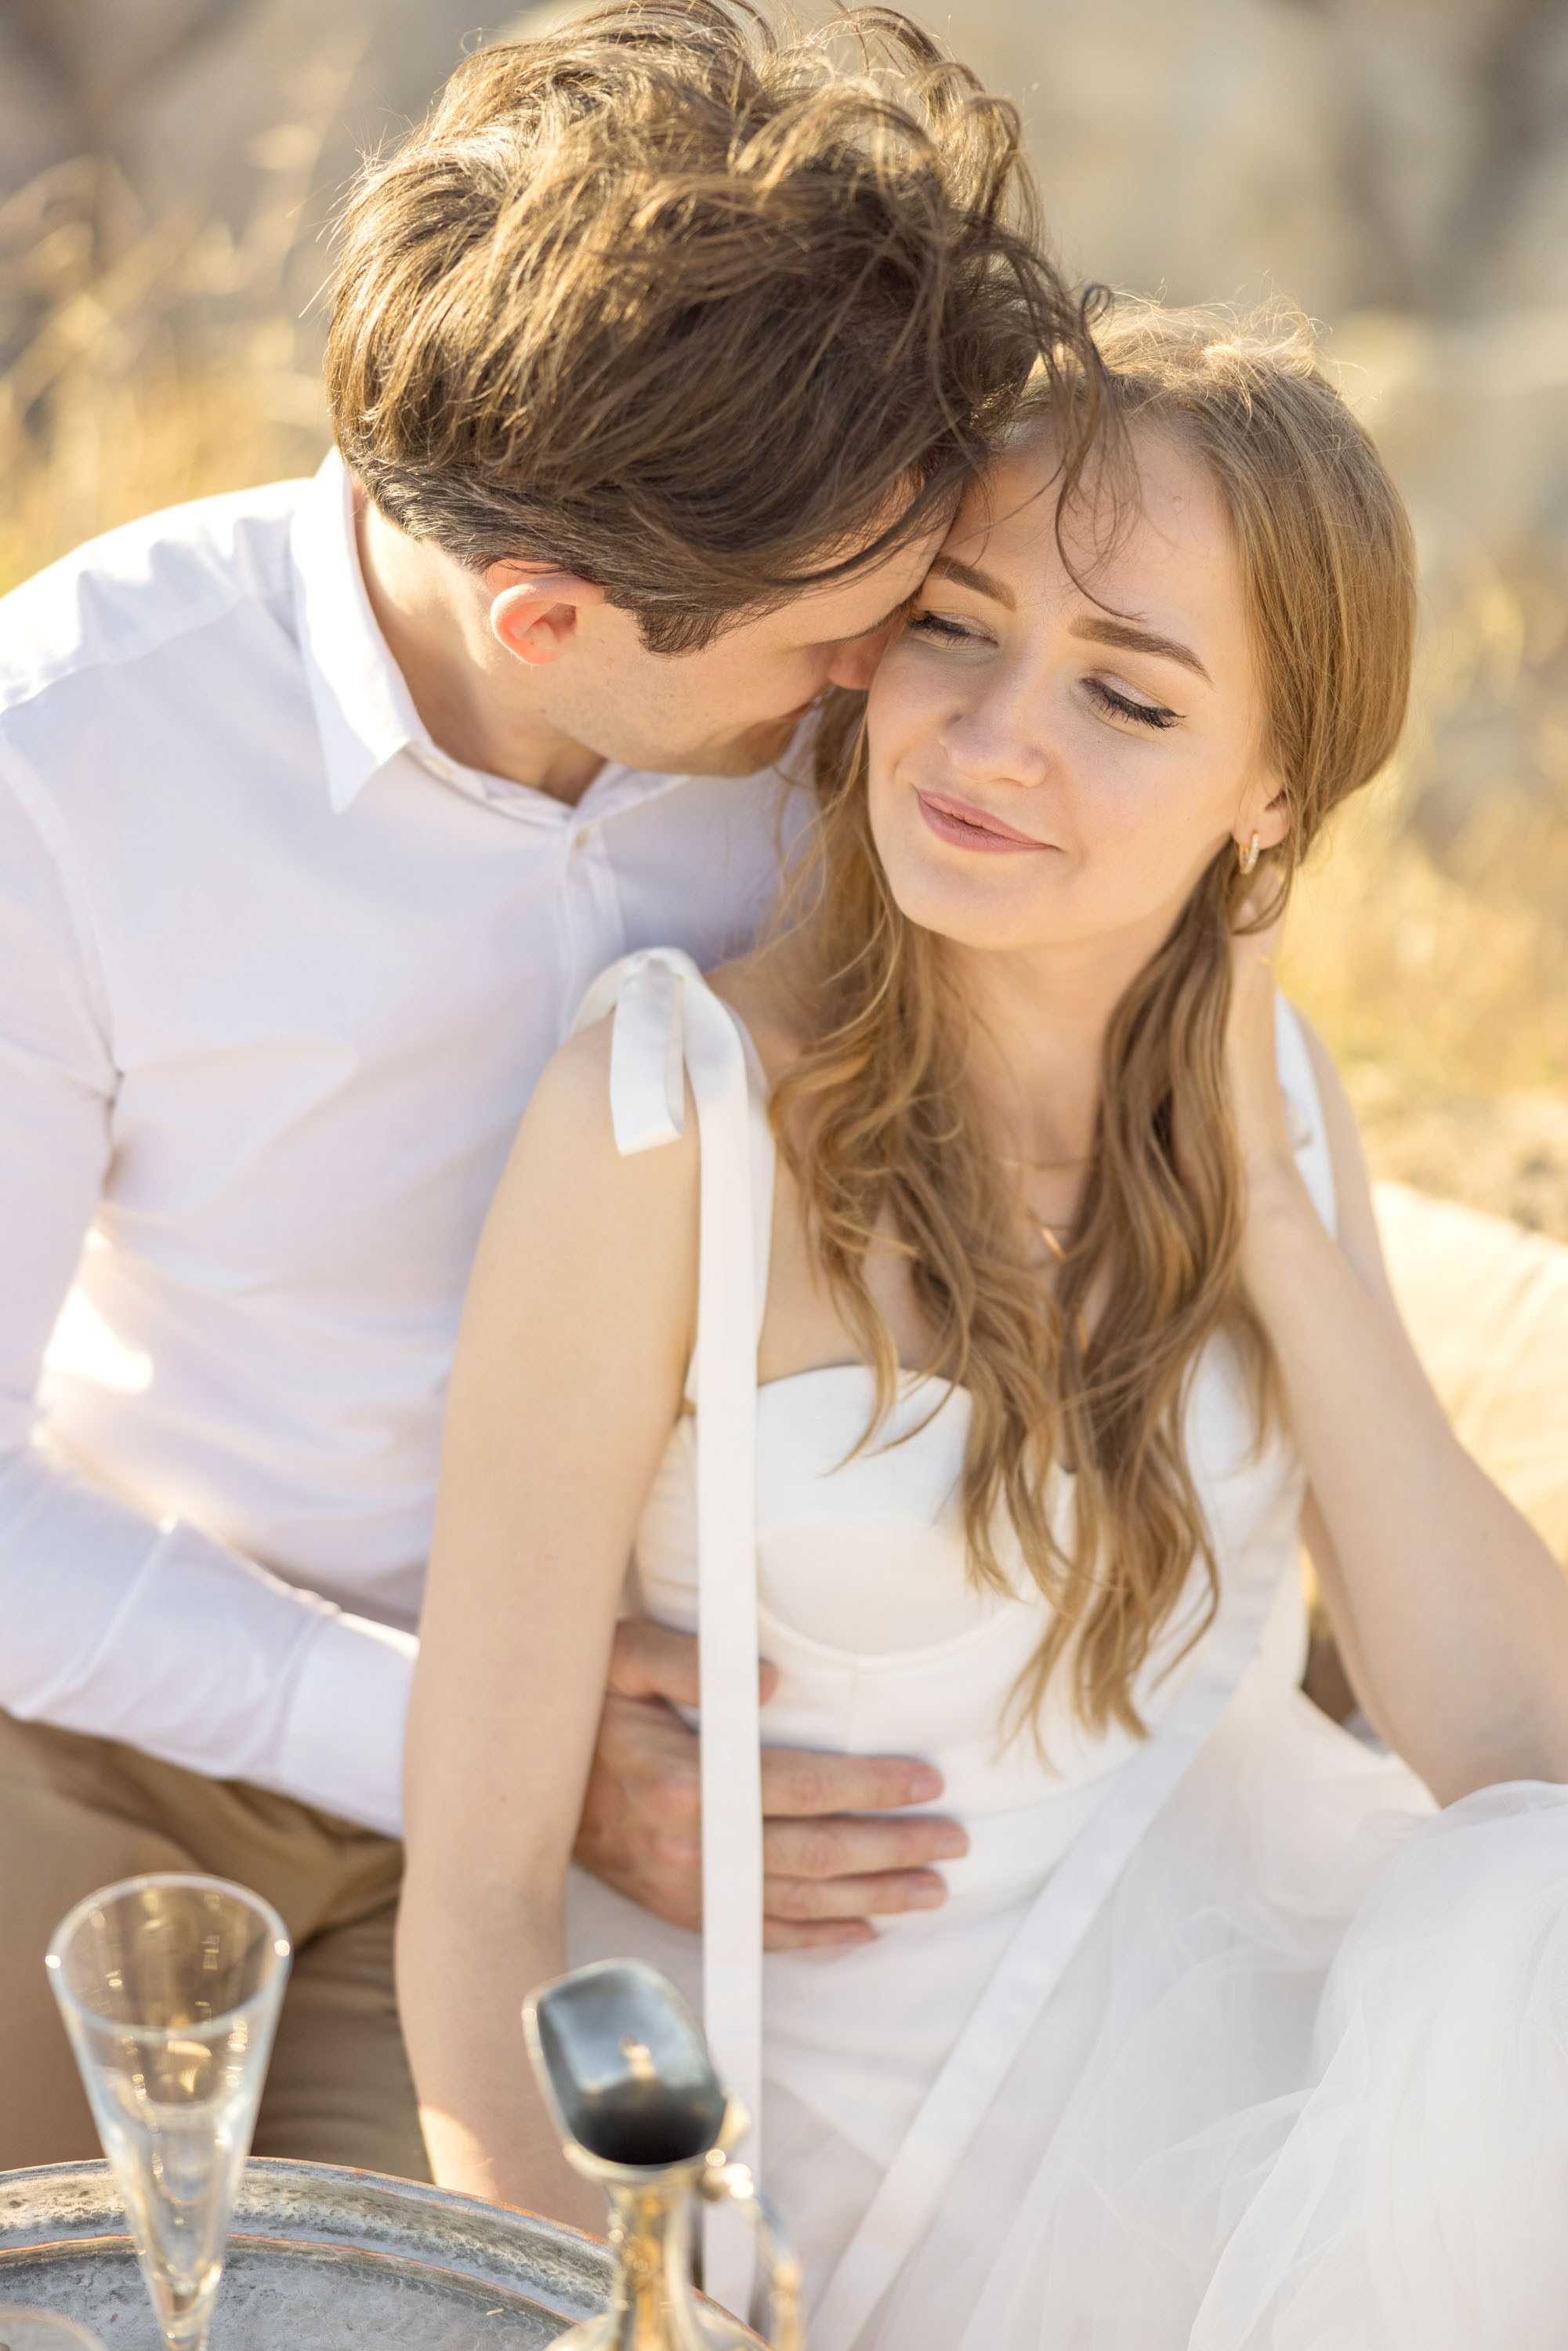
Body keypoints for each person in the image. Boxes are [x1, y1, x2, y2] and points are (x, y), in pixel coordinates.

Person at [401, 301, 1568, 2349]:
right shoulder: (667, 1111)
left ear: (1273, 796)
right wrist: (587, 2311)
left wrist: (1273, 1214)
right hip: (806, 2179)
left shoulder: (1268, 1100)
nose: (993, 733)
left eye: (1126, 696)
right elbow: (479, 1887)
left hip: (1214, 2057)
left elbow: (1519, 1753)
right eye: (954, 626)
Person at [0, 2, 1095, 2174]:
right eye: (831, 642)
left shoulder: (849, 738)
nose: (892, 688)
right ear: (545, 611)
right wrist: (477, 1742)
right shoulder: (68, 757)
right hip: (121, 1724)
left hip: (695, 1733)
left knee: (467, 2315)